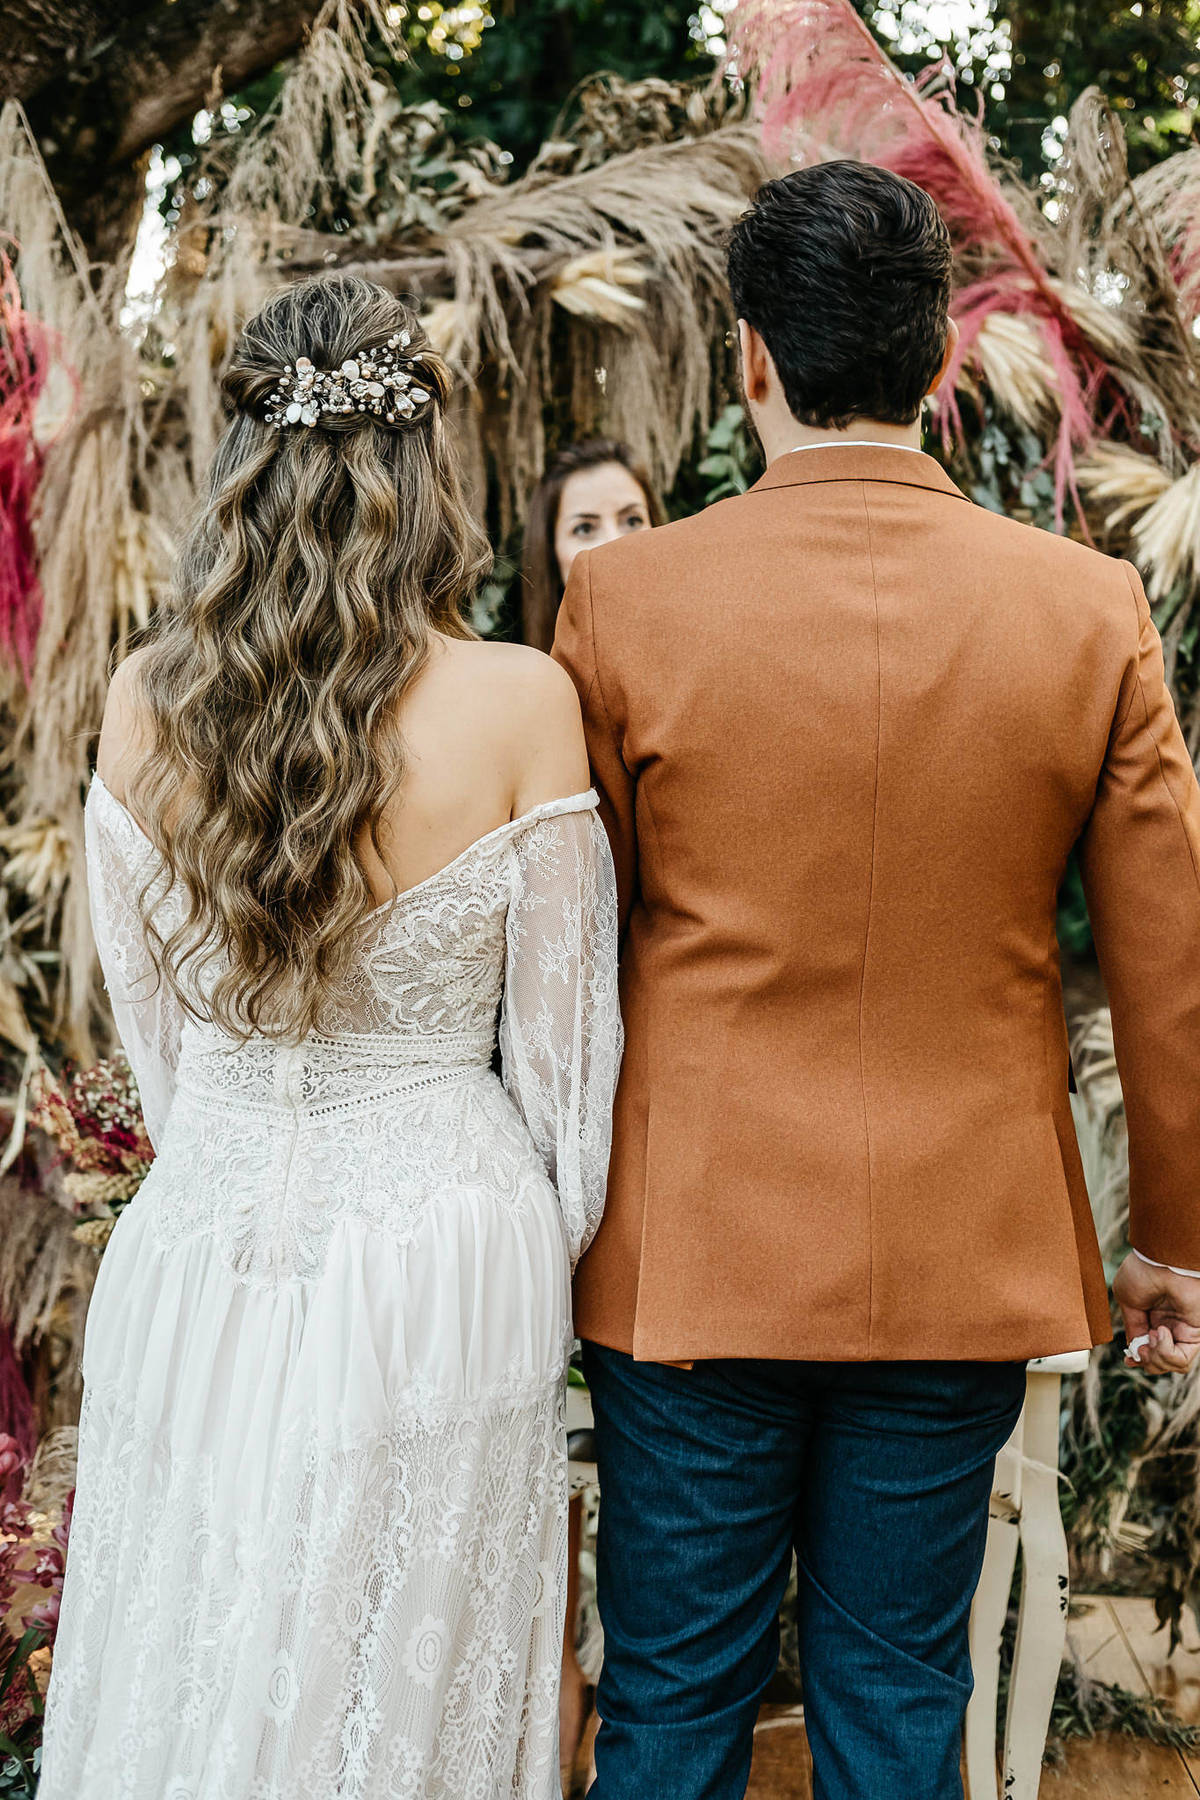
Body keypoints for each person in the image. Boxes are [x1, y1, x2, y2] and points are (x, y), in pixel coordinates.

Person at [553, 160, 1200, 1800]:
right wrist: (1175, 1242)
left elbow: (572, 945)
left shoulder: (619, 603)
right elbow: (1167, 962)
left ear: (750, 360)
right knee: (902, 1698)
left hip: (690, 1256)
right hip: (956, 1252)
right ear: (935, 364)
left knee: (675, 1710)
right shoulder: (1086, 610)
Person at [40, 273, 622, 1800]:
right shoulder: (519, 702)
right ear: (425, 467)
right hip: (448, 1249)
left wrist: (237, 1150)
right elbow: (571, 1071)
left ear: (235, 465)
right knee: (401, 1671)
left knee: (200, 1649)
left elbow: (159, 1039)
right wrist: (534, 1255)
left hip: (205, 1236)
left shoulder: (140, 707)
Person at [521, 440, 664, 652]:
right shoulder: (529, 678)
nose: (613, 542)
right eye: (584, 528)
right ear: (551, 552)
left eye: (633, 520)